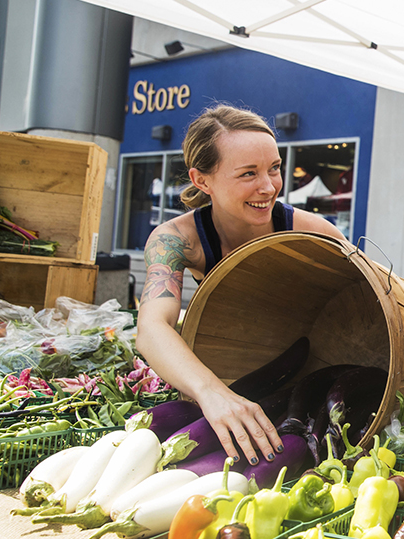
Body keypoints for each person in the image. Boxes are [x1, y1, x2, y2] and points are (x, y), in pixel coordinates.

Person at [138, 105, 345, 467]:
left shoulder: (315, 232)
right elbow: (152, 328)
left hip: (311, 383)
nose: (268, 187)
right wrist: (212, 394)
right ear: (202, 180)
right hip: (240, 378)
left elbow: (372, 302)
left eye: (275, 169)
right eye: (248, 173)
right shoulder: (176, 239)